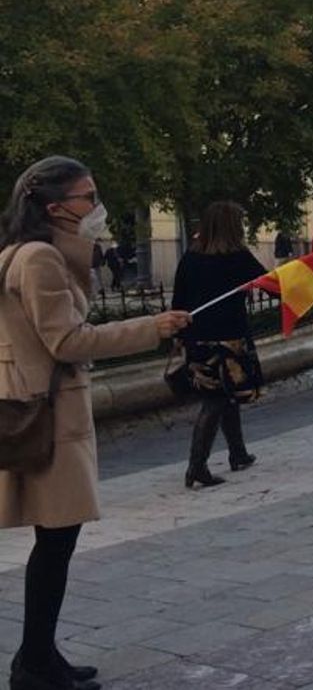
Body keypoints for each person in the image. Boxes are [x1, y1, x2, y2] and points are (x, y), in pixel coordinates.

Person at [1, 156, 189, 690]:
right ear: (56, 206)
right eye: (87, 198)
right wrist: (151, 327)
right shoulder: (38, 258)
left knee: (55, 543)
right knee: (55, 544)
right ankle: (33, 665)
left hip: (41, 407)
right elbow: (68, 341)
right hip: (52, 416)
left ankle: (40, 656)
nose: (96, 207)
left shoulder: (26, 252)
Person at [171, 202, 269, 490]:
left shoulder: (190, 257)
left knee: (224, 395)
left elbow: (179, 301)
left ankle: (238, 452)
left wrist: (180, 337)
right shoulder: (237, 257)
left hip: (198, 338)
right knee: (216, 400)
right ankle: (197, 465)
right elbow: (264, 281)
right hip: (229, 338)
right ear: (231, 226)